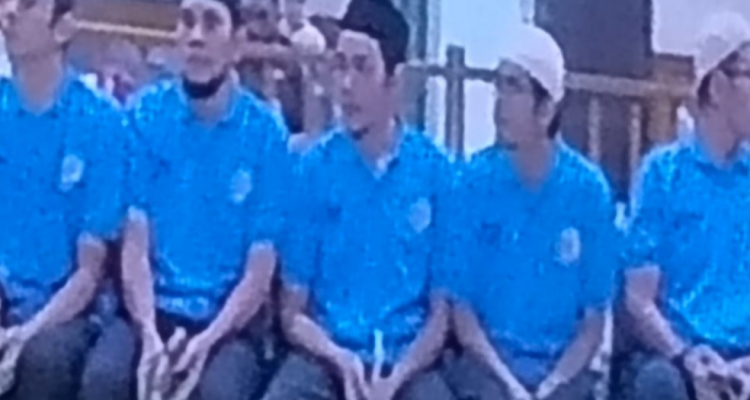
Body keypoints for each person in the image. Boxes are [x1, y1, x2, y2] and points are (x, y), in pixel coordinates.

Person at [78, 0, 290, 399]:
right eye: (187, 22)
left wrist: (205, 342)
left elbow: (259, 271)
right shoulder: (145, 115)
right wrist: (149, 336)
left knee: (217, 392)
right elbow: (135, 243)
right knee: (104, 379)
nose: (195, 37)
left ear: (237, 43)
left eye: (211, 24)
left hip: (226, 322)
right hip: (150, 308)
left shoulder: (266, 134)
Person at [262, 1, 455, 400]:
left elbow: (440, 317)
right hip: (326, 354)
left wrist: (396, 377)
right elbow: (292, 312)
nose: (346, 85)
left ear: (395, 81)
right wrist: (339, 358)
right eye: (340, 66)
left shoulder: (437, 173)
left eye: (363, 68)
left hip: (407, 360)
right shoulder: (313, 168)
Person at [441, 24, 617, 400]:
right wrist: (512, 387)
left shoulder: (589, 192)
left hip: (562, 371)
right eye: (498, 86)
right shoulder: (471, 182)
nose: (500, 101)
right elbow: (463, 314)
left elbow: (592, 324)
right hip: (487, 366)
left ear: (546, 108)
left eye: (514, 88)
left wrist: (552, 385)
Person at [617, 11, 750, 400]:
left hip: (744, 356)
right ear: (717, 86)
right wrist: (687, 356)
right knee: (658, 385)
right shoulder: (663, 174)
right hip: (678, 352)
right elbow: (639, 299)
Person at [0, 0, 128, 398]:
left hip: (67, 307)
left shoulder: (101, 122)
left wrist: (24, 334)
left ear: (64, 27)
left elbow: (89, 272)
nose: (8, 11)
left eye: (27, 3)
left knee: (42, 359)